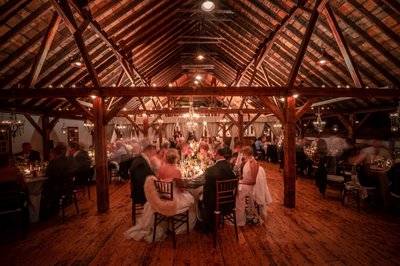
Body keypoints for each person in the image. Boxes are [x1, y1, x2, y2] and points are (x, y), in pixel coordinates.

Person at [124, 148, 195, 242]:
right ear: (176, 158)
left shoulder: (162, 168)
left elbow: (160, 182)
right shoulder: (177, 171)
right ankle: (178, 226)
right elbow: (181, 189)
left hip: (163, 197)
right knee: (192, 199)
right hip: (173, 199)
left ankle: (168, 222)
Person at [200, 148, 236, 229]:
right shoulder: (231, 166)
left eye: (215, 154)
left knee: (201, 197)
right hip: (229, 201)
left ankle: (207, 222)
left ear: (219, 155)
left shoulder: (210, 170)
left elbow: (206, 190)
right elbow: (234, 183)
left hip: (215, 203)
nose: (214, 155)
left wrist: (204, 202)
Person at [41, 144, 78, 217]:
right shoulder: (72, 161)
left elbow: (47, 175)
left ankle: (42, 213)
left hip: (58, 189)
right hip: (69, 187)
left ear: (55, 153)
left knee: (39, 190)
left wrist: (51, 159)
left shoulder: (53, 163)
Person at [236, 146, 259, 226]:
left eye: (243, 154)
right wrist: (241, 180)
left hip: (250, 187)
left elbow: (253, 181)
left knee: (237, 193)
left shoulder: (254, 163)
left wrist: (241, 182)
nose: (242, 156)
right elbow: (246, 176)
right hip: (245, 184)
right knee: (235, 190)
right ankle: (239, 215)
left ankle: (240, 218)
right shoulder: (247, 162)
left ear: (246, 153)